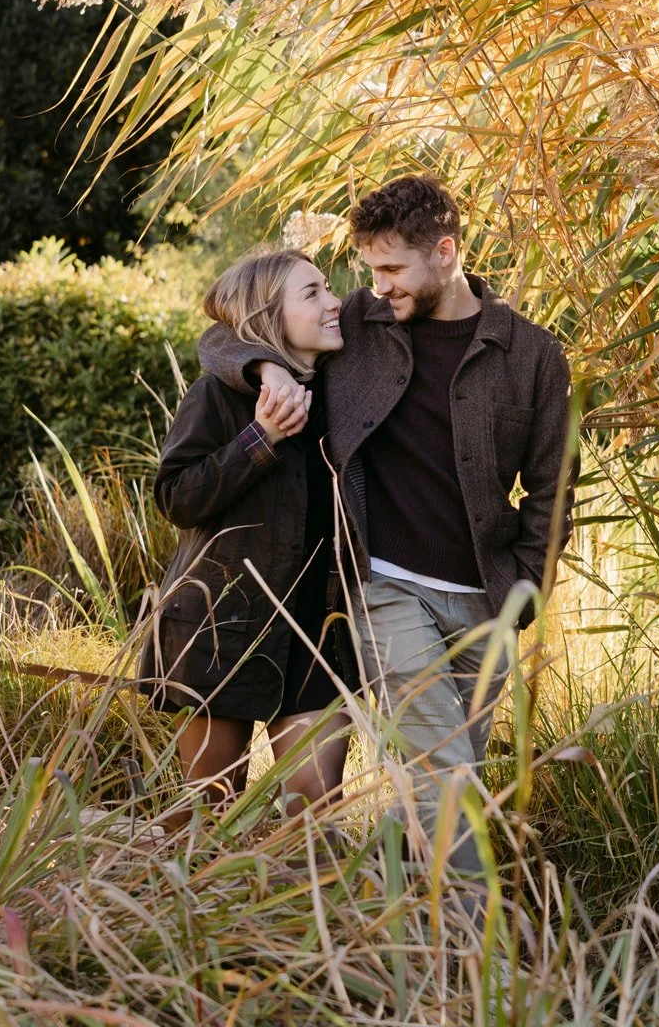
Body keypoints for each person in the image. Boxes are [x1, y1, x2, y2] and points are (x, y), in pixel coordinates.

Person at [198, 175, 578, 880]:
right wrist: (262, 371)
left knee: (431, 777)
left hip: (485, 601)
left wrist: (524, 589)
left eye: (392, 269)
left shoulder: (530, 355)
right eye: (370, 270)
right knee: (448, 770)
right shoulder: (363, 328)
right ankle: (467, 947)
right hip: (384, 589)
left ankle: (395, 926)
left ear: (444, 252)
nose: (378, 287)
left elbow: (553, 489)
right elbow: (225, 334)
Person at [139, 248, 353, 818]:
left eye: (328, 288)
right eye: (313, 293)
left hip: (315, 631)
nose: (335, 302)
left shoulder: (347, 393)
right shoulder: (217, 396)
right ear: (268, 316)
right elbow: (176, 498)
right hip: (222, 627)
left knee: (312, 819)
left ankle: (304, 912)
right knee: (202, 820)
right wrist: (259, 439)